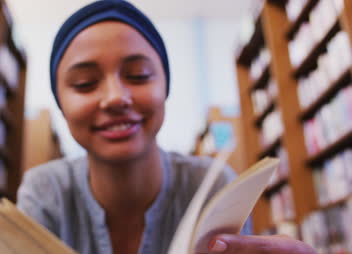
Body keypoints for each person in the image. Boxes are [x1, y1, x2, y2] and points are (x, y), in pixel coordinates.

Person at [17, 1, 317, 253]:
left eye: (138, 75)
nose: (116, 98)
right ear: (61, 102)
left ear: (165, 86)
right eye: (85, 83)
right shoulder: (46, 192)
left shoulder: (209, 185)